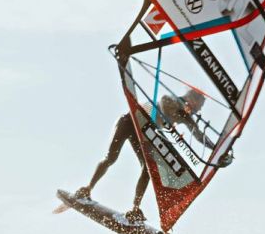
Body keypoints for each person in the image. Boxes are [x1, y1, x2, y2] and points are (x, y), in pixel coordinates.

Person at [76, 88, 212, 224]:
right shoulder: (172, 99)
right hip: (129, 121)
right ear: (192, 99)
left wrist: (219, 151)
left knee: (147, 168)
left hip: (143, 132)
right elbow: (164, 105)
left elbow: (199, 136)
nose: (198, 110)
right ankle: (87, 189)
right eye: (199, 106)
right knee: (111, 158)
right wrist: (181, 112)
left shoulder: (186, 117)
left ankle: (135, 209)